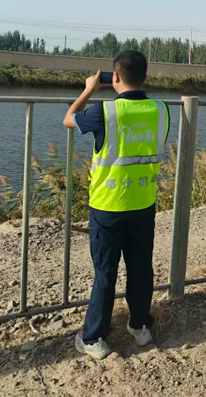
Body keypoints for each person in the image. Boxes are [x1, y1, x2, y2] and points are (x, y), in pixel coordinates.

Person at [63, 50, 169, 359]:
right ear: (145, 78)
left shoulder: (105, 112)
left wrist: (89, 89)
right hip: (143, 202)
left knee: (105, 273)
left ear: (116, 77)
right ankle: (140, 326)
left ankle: (94, 337)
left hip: (108, 206)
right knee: (140, 268)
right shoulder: (161, 110)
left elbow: (68, 119)